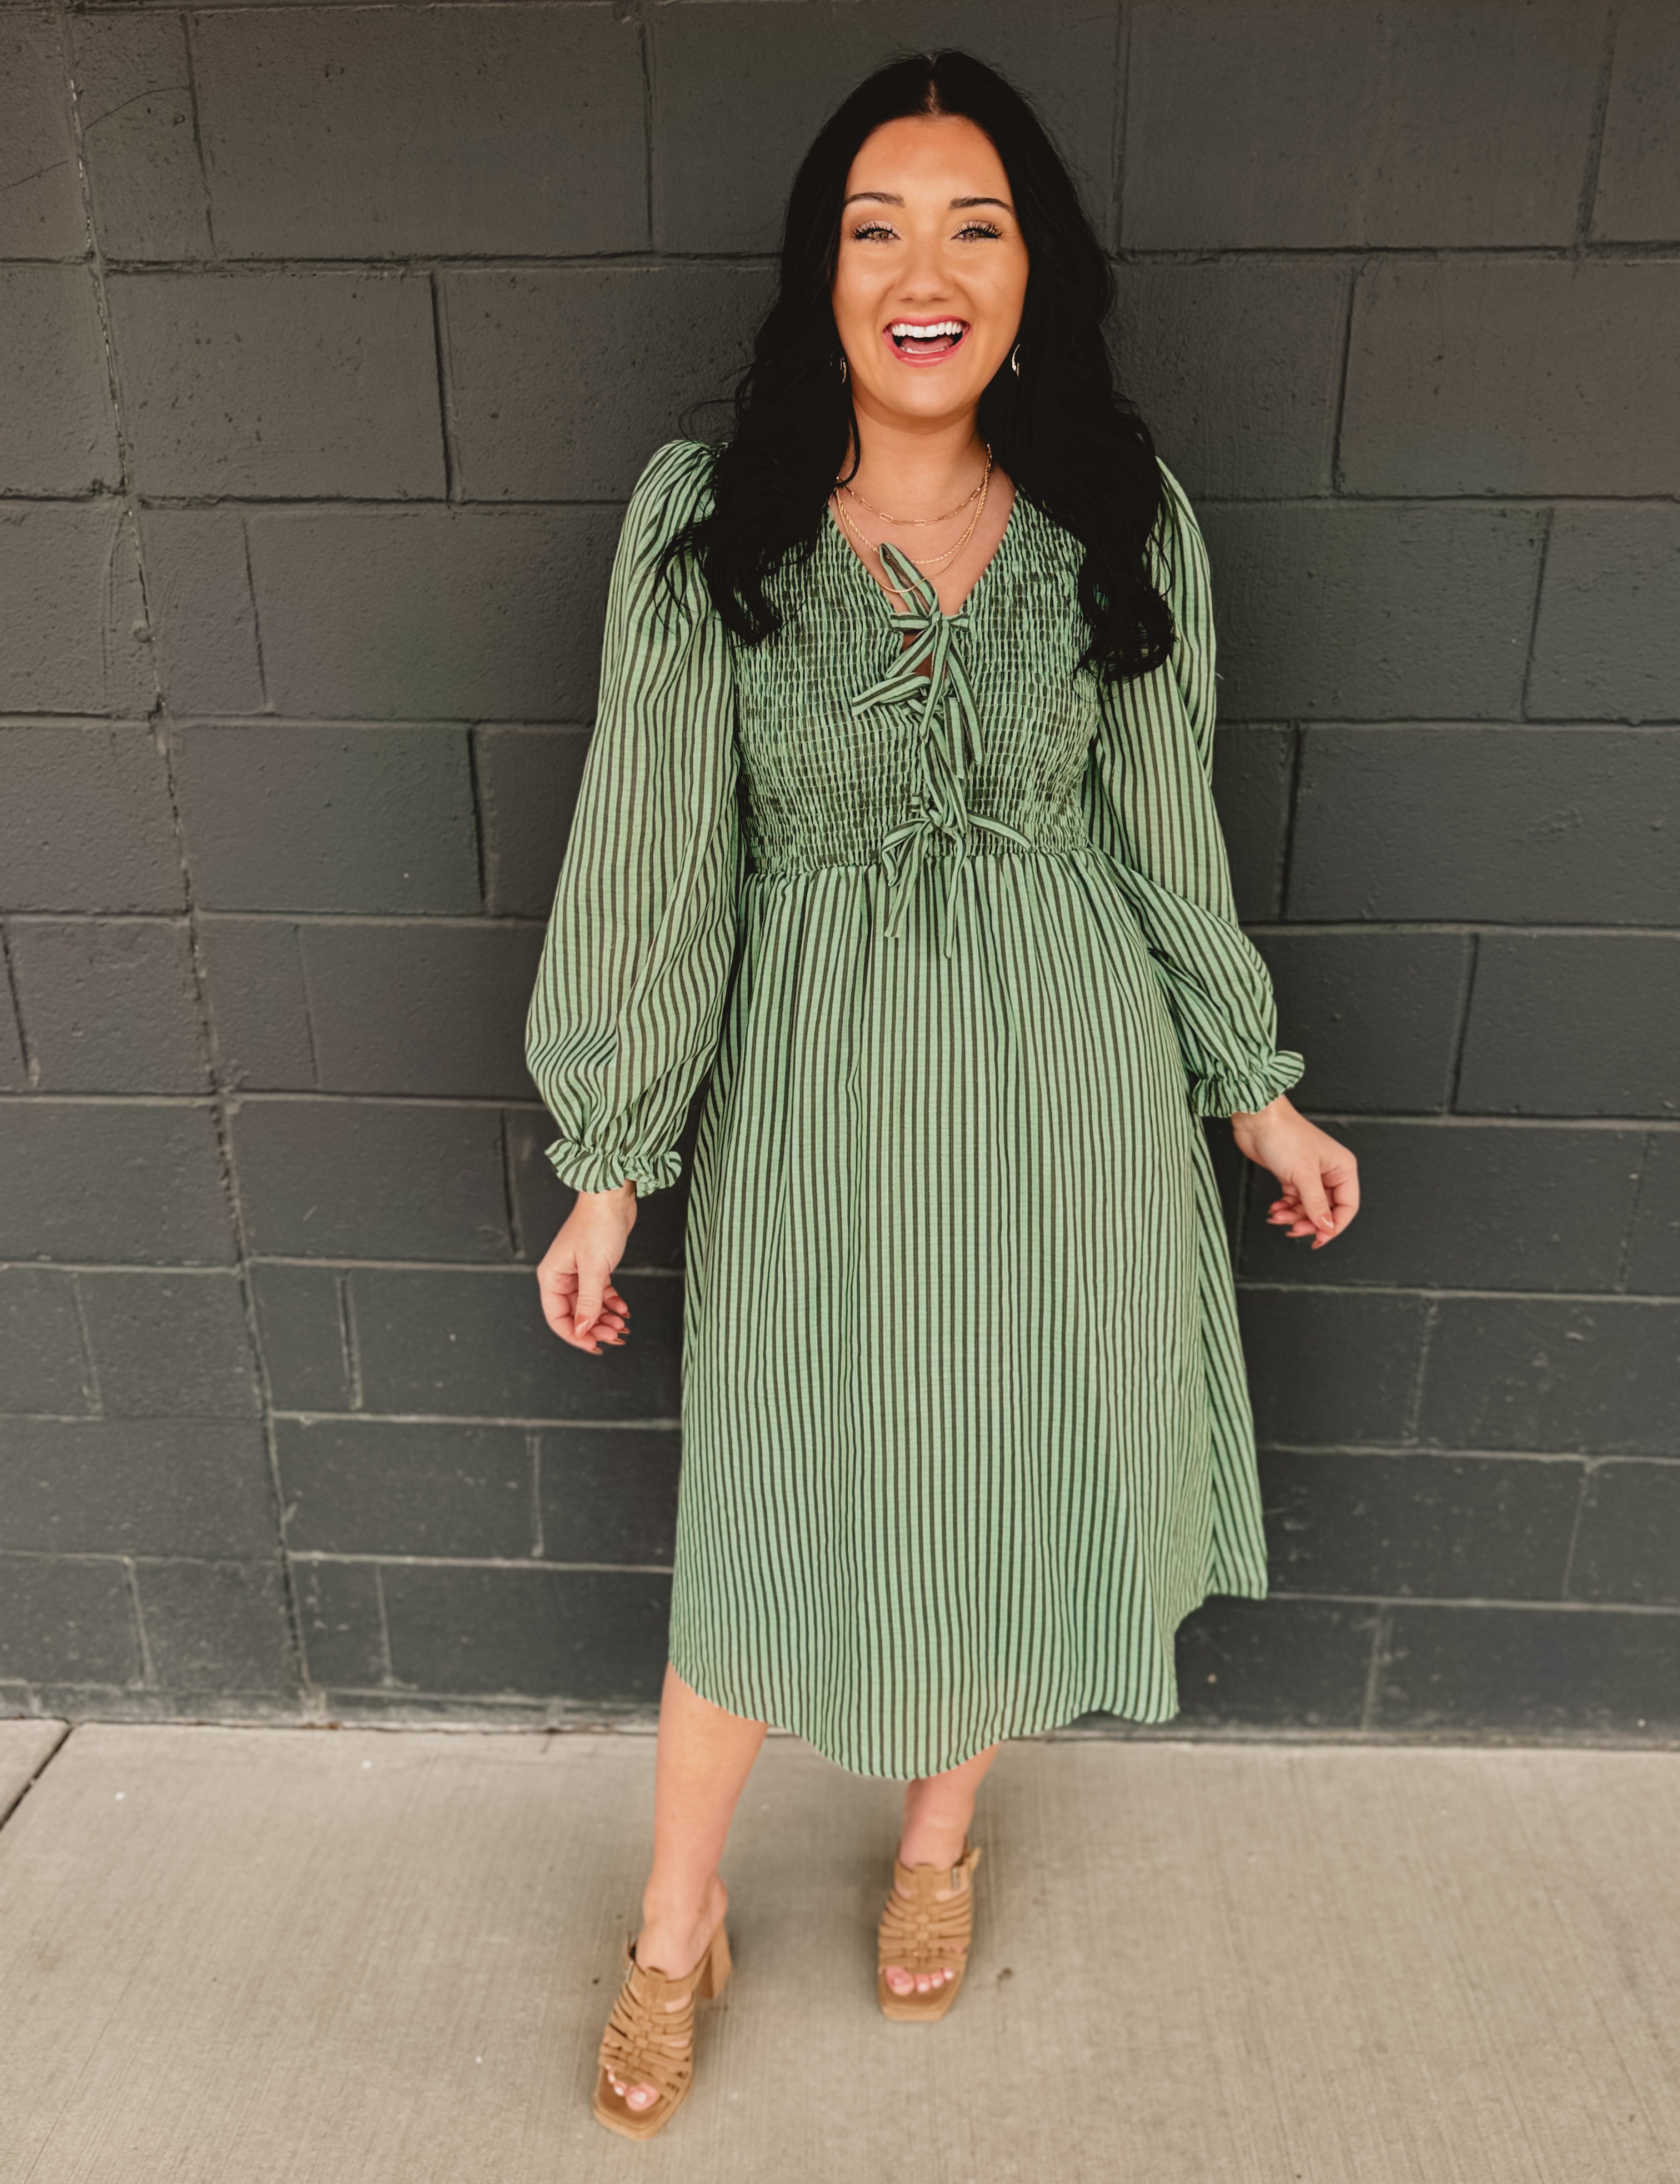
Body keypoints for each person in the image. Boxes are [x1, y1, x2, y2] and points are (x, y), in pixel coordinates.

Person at [524, 48, 1359, 2141]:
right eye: (877, 229)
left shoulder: (1117, 522)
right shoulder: (709, 528)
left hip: (1069, 1101)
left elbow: (1164, 839)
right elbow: (656, 861)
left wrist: (1253, 1091)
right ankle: (677, 1923)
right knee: (768, 1504)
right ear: (822, 276)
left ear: (1031, 272)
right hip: (819, 1111)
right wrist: (614, 1167)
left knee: (1002, 1464)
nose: (926, 272)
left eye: (974, 228)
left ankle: (935, 1838)